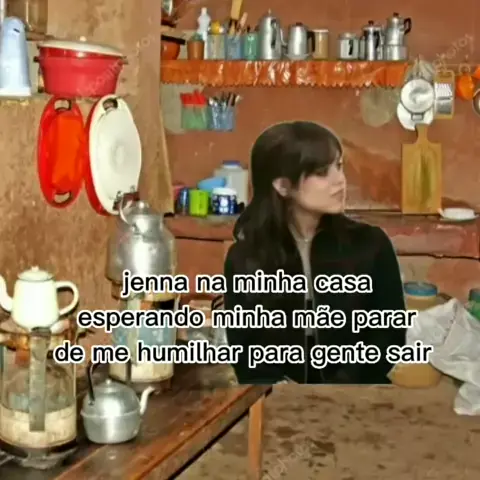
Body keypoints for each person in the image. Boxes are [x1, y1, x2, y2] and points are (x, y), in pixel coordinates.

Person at [223, 121, 406, 384]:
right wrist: (280, 392)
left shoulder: (371, 245)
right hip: (277, 397)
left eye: (339, 166)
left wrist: (340, 389)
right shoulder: (246, 258)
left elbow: (389, 336)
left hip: (358, 393)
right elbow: (246, 352)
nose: (340, 180)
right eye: (322, 172)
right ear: (282, 185)